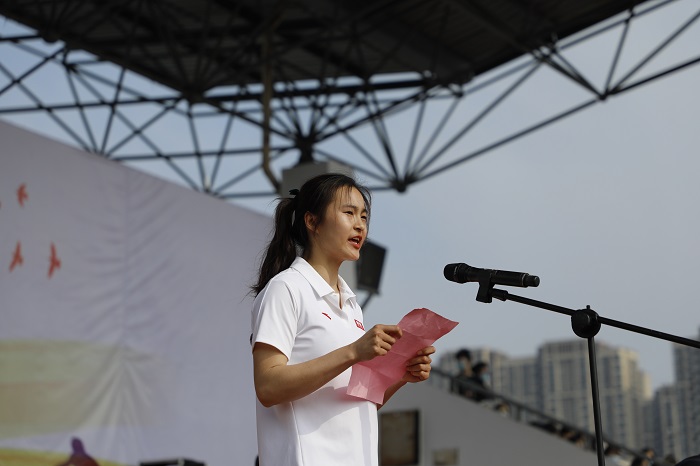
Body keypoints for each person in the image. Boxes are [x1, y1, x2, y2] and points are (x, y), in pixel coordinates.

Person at [250, 173, 436, 466]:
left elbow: (356, 403)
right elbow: (268, 386)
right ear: (312, 222)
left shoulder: (351, 306)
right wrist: (353, 352)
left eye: (364, 216)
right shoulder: (286, 288)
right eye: (348, 213)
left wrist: (402, 375)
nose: (360, 224)